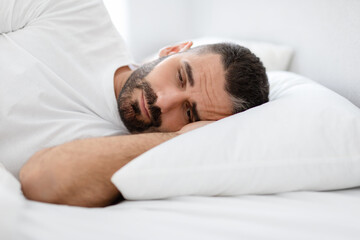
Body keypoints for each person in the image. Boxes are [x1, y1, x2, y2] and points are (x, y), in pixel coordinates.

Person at [0, 0, 269, 207]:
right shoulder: (76, 12)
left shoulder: (118, 156)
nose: (163, 102)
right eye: (180, 77)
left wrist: (178, 139)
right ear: (172, 50)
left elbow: (41, 181)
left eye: (188, 112)